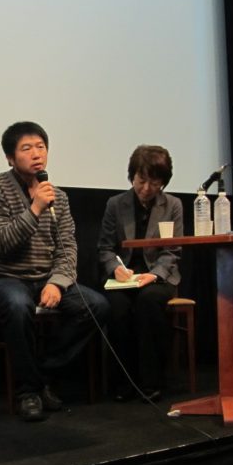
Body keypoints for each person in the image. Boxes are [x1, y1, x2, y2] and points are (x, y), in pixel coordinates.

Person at [0, 121, 110, 422]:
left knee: (96, 305)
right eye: (27, 148)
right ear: (10, 158)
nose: (37, 154)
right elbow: (1, 244)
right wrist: (34, 209)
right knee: (17, 304)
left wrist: (58, 283)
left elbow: (67, 248)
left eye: (41, 147)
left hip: (43, 280)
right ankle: (28, 392)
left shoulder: (58, 196)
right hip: (0, 279)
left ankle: (41, 374)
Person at [97, 145, 183, 402]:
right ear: (132, 176)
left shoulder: (173, 205)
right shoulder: (115, 204)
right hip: (124, 277)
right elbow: (105, 248)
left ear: (163, 182)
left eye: (154, 183)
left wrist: (154, 274)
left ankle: (151, 381)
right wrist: (115, 268)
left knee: (148, 301)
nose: (146, 188)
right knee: (117, 306)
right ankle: (123, 382)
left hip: (158, 277)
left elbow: (173, 251)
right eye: (141, 180)